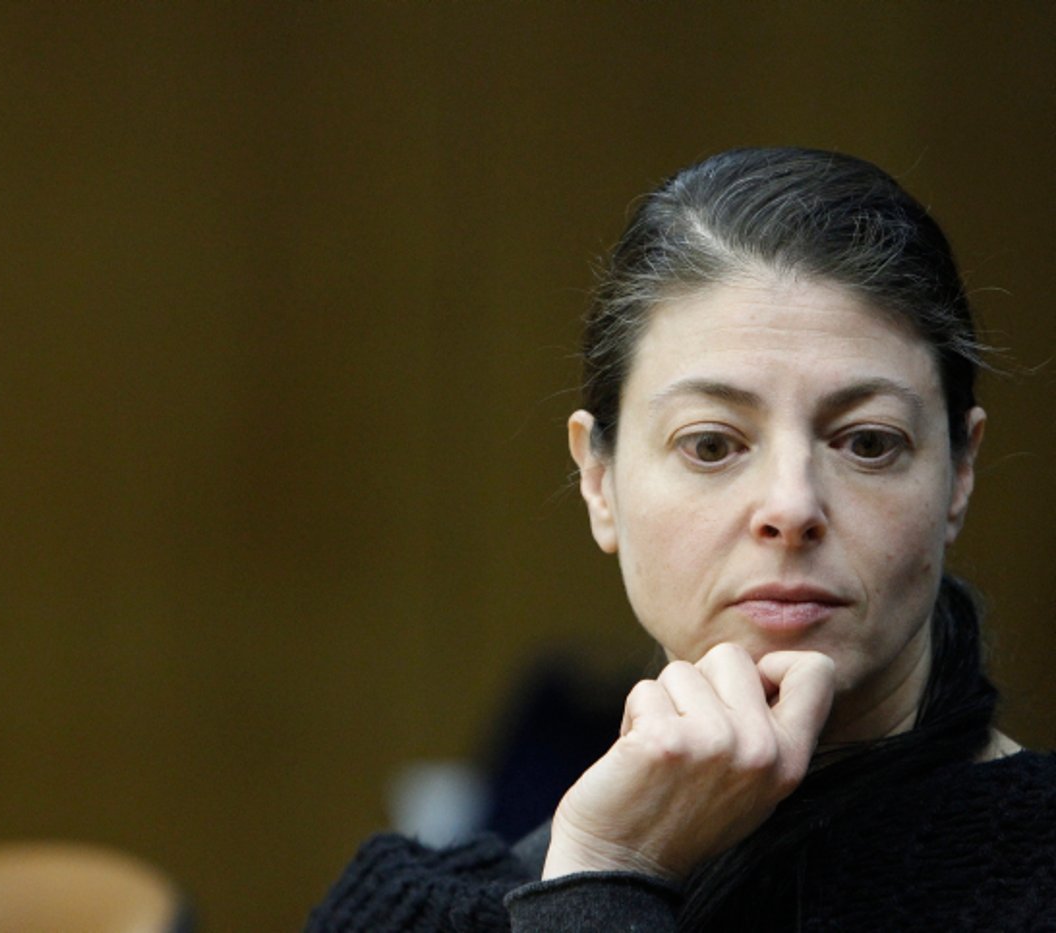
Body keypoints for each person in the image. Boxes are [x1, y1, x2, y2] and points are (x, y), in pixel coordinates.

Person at [306, 147, 1056, 931]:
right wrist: (606, 868)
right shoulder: (407, 915)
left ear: (959, 472)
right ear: (599, 480)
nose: (791, 506)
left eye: (867, 442)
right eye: (711, 443)